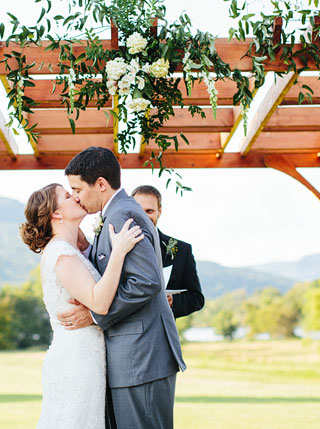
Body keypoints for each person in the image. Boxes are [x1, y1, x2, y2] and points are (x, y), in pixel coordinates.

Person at [58, 146, 186, 429]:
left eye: (77, 188)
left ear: (101, 184)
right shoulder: (115, 213)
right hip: (132, 358)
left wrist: (94, 315)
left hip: (141, 357)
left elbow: (146, 281)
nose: (76, 196)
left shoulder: (123, 215)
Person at [21, 183, 144, 429]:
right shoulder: (61, 253)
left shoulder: (70, 250)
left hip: (85, 356)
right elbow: (99, 302)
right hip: (76, 361)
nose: (76, 197)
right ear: (56, 213)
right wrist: (119, 251)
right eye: (68, 195)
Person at [132, 185, 205, 318]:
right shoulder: (114, 245)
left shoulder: (182, 250)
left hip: (163, 332)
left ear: (159, 211)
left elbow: (196, 299)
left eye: (149, 211)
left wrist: (173, 302)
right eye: (138, 210)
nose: (143, 217)